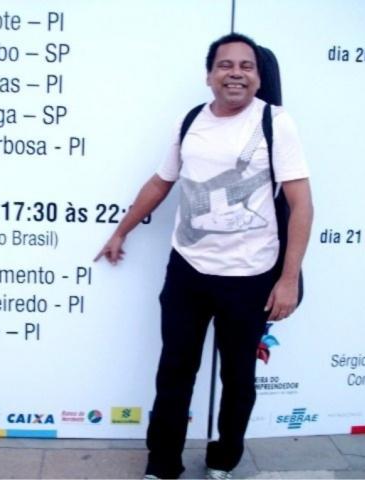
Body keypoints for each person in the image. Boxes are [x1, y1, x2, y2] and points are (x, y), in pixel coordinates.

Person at [94, 33, 313, 479]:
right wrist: (121, 230)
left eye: (246, 66)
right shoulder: (191, 119)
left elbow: (301, 204)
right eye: (225, 65)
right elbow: (161, 181)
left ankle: (223, 461)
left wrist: (288, 278)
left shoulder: (275, 122)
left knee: (238, 378)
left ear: (258, 76)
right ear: (209, 74)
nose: (236, 73)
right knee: (174, 370)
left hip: (250, 277)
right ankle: (162, 465)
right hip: (188, 272)